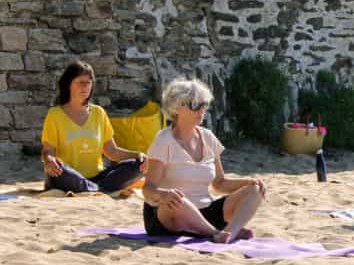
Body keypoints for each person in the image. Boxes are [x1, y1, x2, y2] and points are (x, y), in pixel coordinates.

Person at [142, 78, 265, 243]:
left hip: (205, 210)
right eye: (195, 105)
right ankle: (214, 232)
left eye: (204, 105)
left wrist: (248, 182)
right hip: (168, 214)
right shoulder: (164, 141)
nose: (202, 110)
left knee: (255, 190)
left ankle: (230, 232)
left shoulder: (208, 137)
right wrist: (164, 194)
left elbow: (220, 183)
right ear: (177, 107)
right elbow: (148, 189)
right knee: (178, 199)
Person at [41, 60, 147, 194]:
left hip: (98, 177)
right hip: (68, 176)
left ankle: (93, 188)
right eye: (80, 82)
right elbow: (47, 150)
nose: (85, 87)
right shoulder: (54, 114)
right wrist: (49, 160)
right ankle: (98, 189)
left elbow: (112, 152)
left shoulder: (99, 113)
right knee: (59, 171)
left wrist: (138, 155)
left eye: (88, 83)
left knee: (137, 165)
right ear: (68, 84)